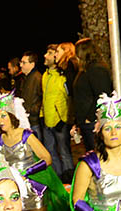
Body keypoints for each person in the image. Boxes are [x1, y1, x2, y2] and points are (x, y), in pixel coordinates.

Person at [0, 91, 53, 211]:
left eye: (3, 116)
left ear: (12, 116)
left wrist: (26, 173)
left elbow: (47, 158)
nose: (0, 121)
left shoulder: (26, 135)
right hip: (14, 192)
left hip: (33, 189)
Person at [72, 38, 113, 152]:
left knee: (97, 155)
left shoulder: (97, 69)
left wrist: (89, 118)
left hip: (93, 123)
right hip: (86, 122)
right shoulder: (86, 70)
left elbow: (102, 95)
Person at [41, 44, 73, 181]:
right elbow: (44, 98)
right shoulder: (45, 75)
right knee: (51, 152)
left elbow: (69, 98)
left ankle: (70, 179)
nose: (45, 56)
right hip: (47, 122)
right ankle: (59, 178)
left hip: (60, 122)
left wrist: (64, 119)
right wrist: (42, 116)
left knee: (64, 152)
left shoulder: (63, 76)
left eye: (49, 53)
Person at [19, 52, 44, 141]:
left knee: (38, 149)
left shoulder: (37, 78)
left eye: (24, 62)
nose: (21, 65)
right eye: (20, 62)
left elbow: (42, 98)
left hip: (34, 121)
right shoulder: (24, 78)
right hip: (27, 120)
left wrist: (33, 110)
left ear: (32, 64)